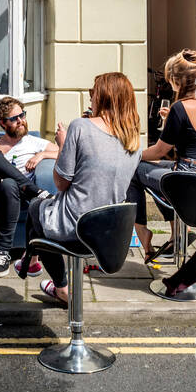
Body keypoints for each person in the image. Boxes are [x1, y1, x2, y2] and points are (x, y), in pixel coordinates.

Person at [18, 72, 141, 307]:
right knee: (44, 207)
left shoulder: (80, 126)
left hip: (77, 224)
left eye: (93, 92)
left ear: (103, 96)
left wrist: (63, 145)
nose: (90, 98)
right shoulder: (134, 139)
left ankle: (58, 284)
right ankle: (30, 261)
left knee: (36, 208)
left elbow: (61, 182)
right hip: (110, 230)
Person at [128, 49, 196, 261]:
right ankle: (176, 233)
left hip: (187, 180)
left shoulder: (180, 108)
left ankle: (142, 231)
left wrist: (132, 155)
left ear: (176, 80)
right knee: (161, 172)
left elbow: (159, 151)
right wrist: (172, 116)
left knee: (135, 169)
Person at [0, 97, 57, 277]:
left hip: (16, 193)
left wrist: (42, 155)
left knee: (10, 184)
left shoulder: (33, 142)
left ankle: (2, 252)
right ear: (3, 123)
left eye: (22, 115)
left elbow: (63, 151)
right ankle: (35, 190)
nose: (21, 120)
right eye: (14, 118)